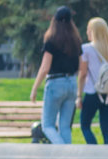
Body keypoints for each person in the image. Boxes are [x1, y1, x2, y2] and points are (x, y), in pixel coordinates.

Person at [29, 6, 83, 145]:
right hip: (72, 82)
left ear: (54, 20)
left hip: (55, 83)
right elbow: (82, 68)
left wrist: (35, 88)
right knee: (65, 127)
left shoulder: (51, 40)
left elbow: (45, 67)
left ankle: (63, 151)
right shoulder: (76, 41)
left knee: (47, 126)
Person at [76, 17, 108, 145]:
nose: (87, 32)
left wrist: (79, 95)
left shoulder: (86, 49)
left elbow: (83, 73)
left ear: (93, 31)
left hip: (93, 92)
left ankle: (95, 152)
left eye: (88, 30)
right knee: (106, 129)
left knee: (85, 126)